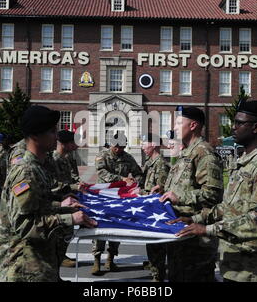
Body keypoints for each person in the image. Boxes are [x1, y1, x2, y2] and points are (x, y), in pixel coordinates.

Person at [170, 100, 257, 282]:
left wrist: (207, 229)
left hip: (255, 269)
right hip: (236, 264)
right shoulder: (245, 162)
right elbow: (229, 208)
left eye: (239, 123)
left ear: (256, 127)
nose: (233, 128)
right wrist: (194, 219)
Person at [0, 105, 96, 282]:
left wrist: (64, 206)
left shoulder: (38, 168)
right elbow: (24, 225)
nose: (56, 136)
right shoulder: (26, 171)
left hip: (39, 265)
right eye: (51, 131)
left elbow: (39, 206)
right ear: (35, 135)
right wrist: (70, 219)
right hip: (25, 269)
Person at [156, 106, 223, 282]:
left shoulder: (204, 152)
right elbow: (183, 186)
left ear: (192, 125)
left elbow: (213, 194)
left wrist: (180, 197)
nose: (174, 127)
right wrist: (164, 192)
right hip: (180, 233)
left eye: (179, 122)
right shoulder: (186, 152)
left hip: (196, 240)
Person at [92, 132, 143, 275]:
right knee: (100, 227)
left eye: (121, 147)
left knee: (116, 228)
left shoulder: (128, 157)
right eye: (116, 147)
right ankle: (96, 260)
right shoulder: (102, 156)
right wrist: (122, 179)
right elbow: (102, 172)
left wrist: (136, 183)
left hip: (120, 198)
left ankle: (111, 258)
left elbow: (138, 172)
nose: (118, 150)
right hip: (104, 197)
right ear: (111, 145)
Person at [139, 133, 170, 282]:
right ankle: (154, 267)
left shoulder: (161, 164)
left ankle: (158, 275)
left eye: (145, 143)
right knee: (151, 244)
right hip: (149, 209)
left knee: (157, 246)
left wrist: (142, 193)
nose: (142, 146)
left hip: (156, 212)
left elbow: (159, 191)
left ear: (154, 144)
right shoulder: (149, 163)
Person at [51, 130, 82, 268]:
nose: (76, 146)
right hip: (57, 202)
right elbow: (52, 183)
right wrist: (73, 187)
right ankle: (58, 257)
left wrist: (75, 185)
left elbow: (69, 177)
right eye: (74, 143)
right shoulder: (54, 159)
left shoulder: (65, 158)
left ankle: (61, 254)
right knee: (59, 233)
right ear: (65, 144)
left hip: (66, 199)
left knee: (67, 232)